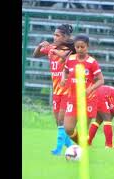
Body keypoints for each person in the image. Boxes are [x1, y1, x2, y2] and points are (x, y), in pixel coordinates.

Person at [33, 24, 76, 155]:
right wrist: (40, 46)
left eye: (57, 35)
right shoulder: (52, 48)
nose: (54, 37)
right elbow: (35, 55)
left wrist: (51, 48)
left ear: (65, 37)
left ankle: (57, 150)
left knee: (62, 121)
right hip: (56, 91)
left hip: (68, 91)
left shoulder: (72, 49)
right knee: (58, 123)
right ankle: (73, 148)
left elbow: (65, 57)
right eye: (54, 35)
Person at [60, 34, 104, 143]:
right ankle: (80, 144)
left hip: (88, 100)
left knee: (83, 130)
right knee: (68, 128)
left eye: (82, 47)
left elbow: (101, 80)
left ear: (87, 46)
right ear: (74, 47)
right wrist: (63, 78)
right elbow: (65, 71)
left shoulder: (92, 62)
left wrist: (90, 89)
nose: (79, 49)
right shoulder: (70, 59)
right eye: (77, 47)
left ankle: (81, 148)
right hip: (73, 99)